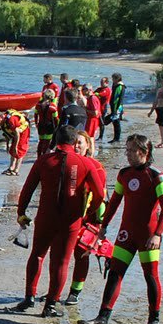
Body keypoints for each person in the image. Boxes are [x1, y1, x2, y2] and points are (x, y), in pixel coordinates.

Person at [80, 135, 163, 324]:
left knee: (150, 276)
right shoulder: (124, 174)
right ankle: (102, 319)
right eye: (127, 150)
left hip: (148, 236)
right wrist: (104, 227)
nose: (128, 154)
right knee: (115, 273)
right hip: (126, 234)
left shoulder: (157, 176)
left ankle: (154, 318)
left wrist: (157, 234)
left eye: (132, 150)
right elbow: (114, 202)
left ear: (144, 152)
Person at [11, 127, 103, 318]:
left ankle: (29, 297)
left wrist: (21, 213)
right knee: (61, 261)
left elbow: (27, 190)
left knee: (37, 255)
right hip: (71, 220)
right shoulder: (85, 163)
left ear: (55, 139)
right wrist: (88, 211)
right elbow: (100, 194)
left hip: (46, 216)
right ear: (72, 142)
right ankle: (50, 306)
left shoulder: (44, 161)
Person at [64, 130, 108, 305]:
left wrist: (99, 224)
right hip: (66, 217)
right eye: (73, 142)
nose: (76, 146)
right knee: (62, 255)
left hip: (87, 219)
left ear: (88, 145)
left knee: (81, 255)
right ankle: (56, 289)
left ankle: (75, 291)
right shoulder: (65, 163)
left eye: (80, 143)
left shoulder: (96, 167)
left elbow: (101, 195)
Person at [0, 109, 31, 176]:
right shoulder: (4, 122)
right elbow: (7, 134)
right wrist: (8, 146)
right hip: (17, 131)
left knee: (19, 150)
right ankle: (11, 168)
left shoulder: (11, 120)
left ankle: (16, 170)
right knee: (12, 149)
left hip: (23, 131)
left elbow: (17, 134)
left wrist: (16, 147)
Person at [106, 73, 127, 143]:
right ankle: (115, 138)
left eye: (113, 78)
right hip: (114, 106)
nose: (112, 80)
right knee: (114, 121)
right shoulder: (115, 85)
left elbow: (120, 99)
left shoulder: (120, 86)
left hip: (118, 106)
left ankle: (116, 139)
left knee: (116, 122)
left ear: (117, 79)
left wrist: (117, 109)